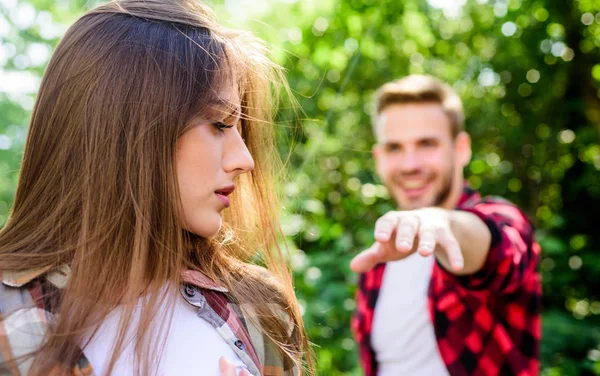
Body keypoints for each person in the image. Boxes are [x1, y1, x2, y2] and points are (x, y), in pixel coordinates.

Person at [0, 1, 313, 375]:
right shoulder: (10, 315)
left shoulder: (260, 310)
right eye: (218, 124)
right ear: (125, 130)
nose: (244, 160)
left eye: (238, 127)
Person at [350, 75, 541, 376]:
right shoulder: (379, 257)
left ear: (461, 149)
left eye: (427, 144)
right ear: (378, 157)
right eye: (394, 148)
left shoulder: (498, 219)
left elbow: (502, 249)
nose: (410, 164)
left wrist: (441, 220)